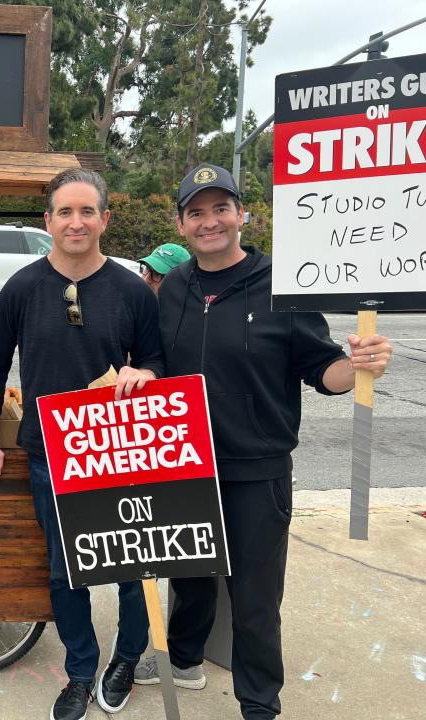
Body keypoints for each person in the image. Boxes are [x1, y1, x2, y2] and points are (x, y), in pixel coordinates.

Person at [133, 162, 393, 720]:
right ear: (181, 224)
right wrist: (146, 374)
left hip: (258, 470)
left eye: (220, 208)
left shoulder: (282, 286)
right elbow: (155, 356)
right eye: (196, 212)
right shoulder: (173, 287)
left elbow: (322, 370)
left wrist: (359, 366)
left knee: (254, 599)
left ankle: (259, 705)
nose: (210, 222)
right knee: (191, 579)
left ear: (241, 215)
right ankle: (184, 661)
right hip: (185, 465)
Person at [0, 168, 164, 720]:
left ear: (105, 218)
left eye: (87, 211)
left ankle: (126, 658)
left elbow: (156, 362)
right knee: (65, 567)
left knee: (132, 564)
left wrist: (144, 375)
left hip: (122, 450)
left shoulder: (132, 291)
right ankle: (80, 669)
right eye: (65, 212)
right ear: (47, 220)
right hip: (50, 453)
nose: (76, 222)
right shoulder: (23, 288)